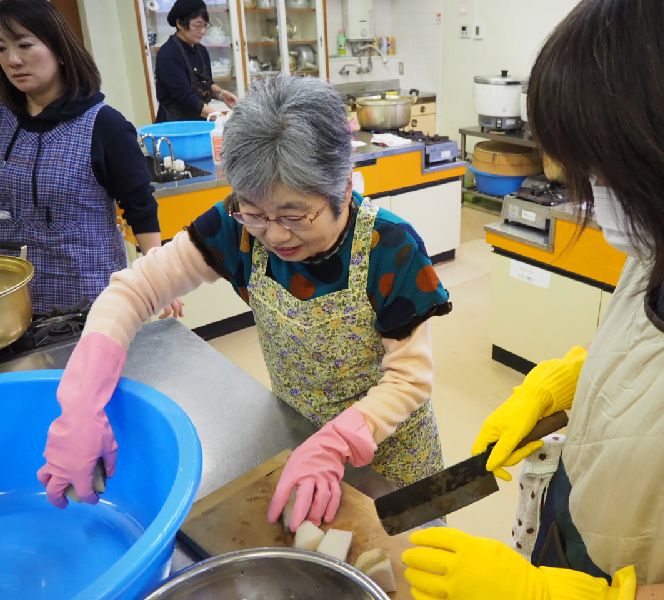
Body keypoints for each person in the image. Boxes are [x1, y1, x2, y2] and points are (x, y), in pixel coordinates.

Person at [402, 0, 664, 599]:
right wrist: (566, 384)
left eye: (623, 179)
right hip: (588, 514)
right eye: (591, 177)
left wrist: (549, 595)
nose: (603, 202)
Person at [36, 75, 451, 532]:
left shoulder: (389, 247)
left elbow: (410, 379)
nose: (273, 234)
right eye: (255, 212)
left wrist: (336, 443)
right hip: (297, 431)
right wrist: (80, 402)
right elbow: (134, 289)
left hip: (392, 452)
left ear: (341, 189)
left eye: (294, 215)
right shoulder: (235, 227)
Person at [0, 0, 180, 317]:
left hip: (88, 304)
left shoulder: (104, 126)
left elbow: (140, 207)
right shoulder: (5, 120)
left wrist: (157, 279)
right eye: (1, 48)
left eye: (25, 45)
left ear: (58, 48)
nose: (13, 60)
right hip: (14, 304)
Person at [154, 0, 236, 122]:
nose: (202, 31)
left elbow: (206, 84)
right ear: (180, 24)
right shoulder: (168, 54)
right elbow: (186, 98)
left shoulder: (201, 50)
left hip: (199, 121)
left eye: (205, 26)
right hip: (176, 126)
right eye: (197, 25)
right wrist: (221, 119)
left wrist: (222, 94)